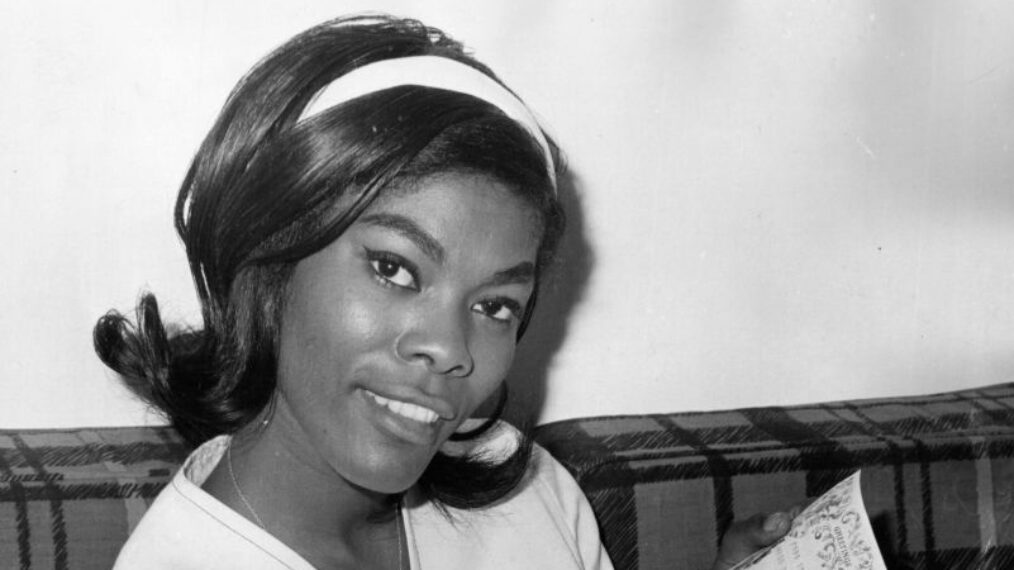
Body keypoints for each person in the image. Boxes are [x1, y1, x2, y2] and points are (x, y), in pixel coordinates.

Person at [94, 14, 790, 569]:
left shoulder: (528, 492)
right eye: (395, 270)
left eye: (495, 306)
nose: (451, 349)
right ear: (269, 265)